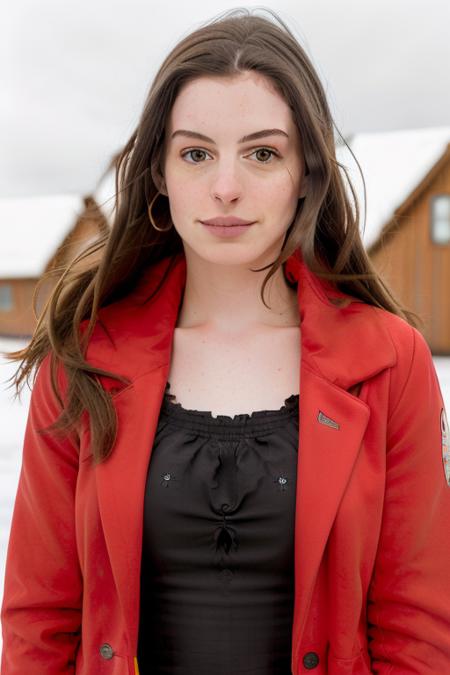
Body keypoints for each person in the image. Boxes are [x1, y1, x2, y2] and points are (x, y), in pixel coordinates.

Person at [1, 7, 450, 675]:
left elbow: (417, 630)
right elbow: (39, 621)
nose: (226, 187)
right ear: (159, 172)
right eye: (196, 152)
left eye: (263, 153)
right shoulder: (84, 359)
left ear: (307, 175)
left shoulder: (393, 361)